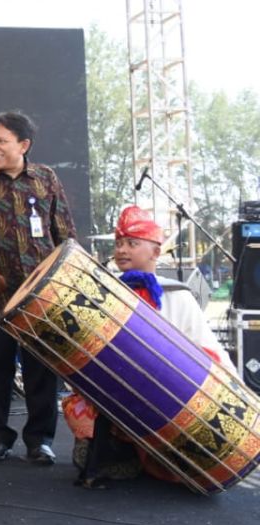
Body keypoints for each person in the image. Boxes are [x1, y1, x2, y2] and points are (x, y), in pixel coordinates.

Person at [63, 205, 227, 488]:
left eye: (132, 243)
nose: (123, 250)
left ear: (155, 252)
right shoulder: (107, 291)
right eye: (119, 244)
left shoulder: (178, 296)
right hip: (115, 392)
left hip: (167, 396)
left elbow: (206, 349)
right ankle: (107, 457)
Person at [0, 110, 77, 465]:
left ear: (23, 145)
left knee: (42, 369)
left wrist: (65, 278)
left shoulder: (46, 179)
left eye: (1, 141)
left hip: (41, 293)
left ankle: (40, 440)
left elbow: (65, 234)